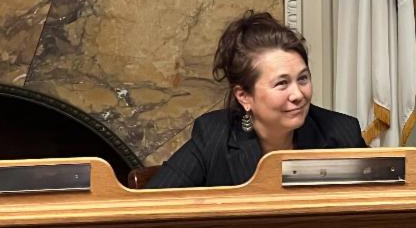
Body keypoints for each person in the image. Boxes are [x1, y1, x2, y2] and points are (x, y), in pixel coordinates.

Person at [147, 11, 366, 188]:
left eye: (303, 78)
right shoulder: (213, 136)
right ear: (244, 96)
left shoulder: (341, 133)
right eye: (282, 83)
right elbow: (152, 207)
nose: (298, 95)